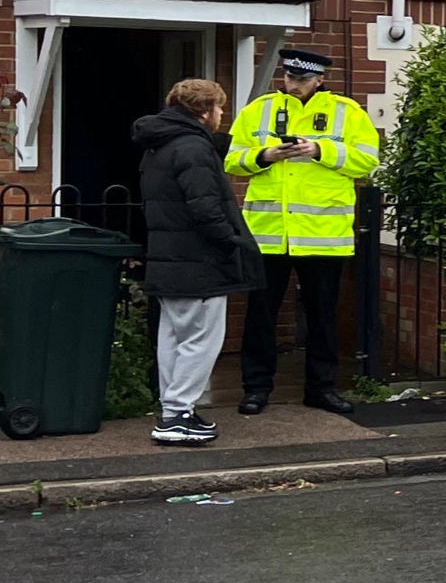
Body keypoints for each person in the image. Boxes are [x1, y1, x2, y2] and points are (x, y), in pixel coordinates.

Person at [225, 49, 380, 414]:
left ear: (320, 80)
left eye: (303, 80)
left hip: (323, 236)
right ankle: (256, 389)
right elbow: (232, 158)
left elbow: (369, 160)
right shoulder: (258, 109)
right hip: (269, 234)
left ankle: (321, 389)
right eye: (290, 78)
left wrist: (320, 149)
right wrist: (265, 156)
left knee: (323, 317)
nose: (294, 85)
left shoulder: (347, 112)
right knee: (260, 315)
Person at [133, 78, 265, 446]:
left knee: (173, 337)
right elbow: (205, 207)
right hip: (198, 260)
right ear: (204, 111)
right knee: (201, 340)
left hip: (170, 257)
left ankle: (173, 410)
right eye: (219, 108)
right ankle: (177, 414)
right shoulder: (192, 147)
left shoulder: (160, 144)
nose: (222, 114)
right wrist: (230, 241)